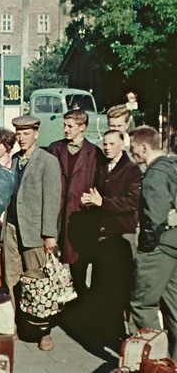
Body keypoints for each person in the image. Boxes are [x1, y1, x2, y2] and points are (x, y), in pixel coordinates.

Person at [3, 116, 61, 351]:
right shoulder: (15, 160)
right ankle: (16, 325)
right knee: (12, 279)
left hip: (36, 232)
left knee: (38, 282)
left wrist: (49, 234)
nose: (21, 137)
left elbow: (52, 199)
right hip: (12, 228)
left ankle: (43, 331)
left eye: (26, 133)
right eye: (18, 133)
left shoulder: (48, 161)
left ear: (36, 134)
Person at [79, 130, 142, 344]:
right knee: (103, 282)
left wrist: (102, 203)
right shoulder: (103, 166)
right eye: (104, 143)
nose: (106, 147)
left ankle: (121, 333)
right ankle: (104, 328)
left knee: (120, 284)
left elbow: (132, 203)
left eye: (111, 143)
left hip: (121, 234)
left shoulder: (132, 170)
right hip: (103, 234)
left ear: (122, 145)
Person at [128, 126, 177, 360]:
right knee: (174, 309)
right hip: (174, 244)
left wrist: (146, 247)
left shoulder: (154, 174)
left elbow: (154, 218)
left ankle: (153, 361)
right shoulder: (172, 167)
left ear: (145, 147)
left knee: (142, 306)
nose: (131, 151)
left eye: (133, 147)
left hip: (158, 248)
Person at [48, 109, 105, 296]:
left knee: (78, 268)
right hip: (56, 214)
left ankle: (80, 308)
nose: (65, 130)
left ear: (83, 127)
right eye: (64, 125)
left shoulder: (95, 154)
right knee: (50, 267)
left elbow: (100, 186)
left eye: (70, 126)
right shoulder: (55, 149)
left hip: (80, 218)